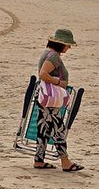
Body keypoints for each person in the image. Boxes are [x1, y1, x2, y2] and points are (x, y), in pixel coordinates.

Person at [33, 28, 82, 172]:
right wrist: (59, 83)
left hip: (45, 98)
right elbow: (43, 74)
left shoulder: (47, 53)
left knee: (44, 128)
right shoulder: (53, 56)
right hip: (51, 100)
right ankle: (65, 161)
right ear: (61, 44)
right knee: (58, 128)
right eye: (68, 44)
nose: (69, 47)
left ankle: (39, 160)